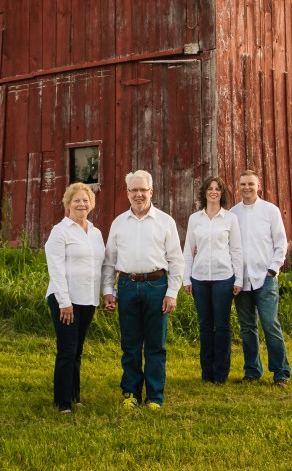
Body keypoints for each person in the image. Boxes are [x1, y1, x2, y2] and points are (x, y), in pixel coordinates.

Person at [101, 169, 185, 410]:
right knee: (130, 345)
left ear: (151, 192)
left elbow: (176, 260)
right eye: (134, 190)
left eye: (143, 190)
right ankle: (131, 394)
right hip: (127, 286)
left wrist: (172, 293)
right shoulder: (119, 223)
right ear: (127, 193)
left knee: (156, 345)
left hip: (156, 286)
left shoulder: (165, 222)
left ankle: (155, 396)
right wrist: (108, 290)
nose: (138, 194)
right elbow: (109, 261)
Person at [44, 183, 106, 413]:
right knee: (67, 349)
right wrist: (64, 302)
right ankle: (62, 401)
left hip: (88, 299)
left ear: (91, 204)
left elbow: (101, 265)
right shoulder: (60, 231)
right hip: (65, 300)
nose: (81, 204)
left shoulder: (96, 233)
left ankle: (74, 394)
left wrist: (106, 293)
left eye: (85, 200)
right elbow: (56, 268)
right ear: (68, 204)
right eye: (76, 200)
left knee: (77, 349)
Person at [231, 170, 291, 386]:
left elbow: (281, 243)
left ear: (258, 186)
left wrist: (273, 270)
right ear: (238, 187)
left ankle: (281, 372)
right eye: (243, 184)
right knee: (247, 328)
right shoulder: (233, 213)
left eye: (250, 184)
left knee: (270, 324)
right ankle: (252, 371)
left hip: (264, 278)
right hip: (241, 280)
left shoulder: (270, 211)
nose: (246, 187)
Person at [183, 176, 243, 383]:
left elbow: (236, 250)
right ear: (204, 192)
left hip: (223, 278)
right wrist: (186, 279)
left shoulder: (230, 219)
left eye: (217, 189)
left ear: (222, 193)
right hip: (199, 278)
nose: (214, 192)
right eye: (210, 188)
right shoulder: (195, 219)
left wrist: (239, 279)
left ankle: (220, 373)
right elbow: (188, 250)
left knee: (222, 326)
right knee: (205, 326)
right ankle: (206, 373)